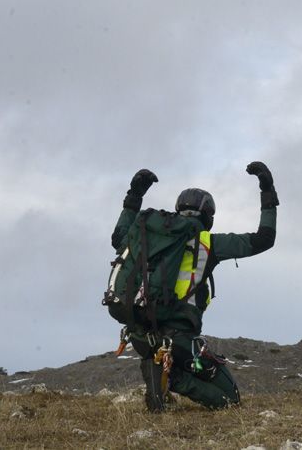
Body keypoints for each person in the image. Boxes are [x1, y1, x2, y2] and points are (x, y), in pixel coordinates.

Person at [108, 161, 279, 411]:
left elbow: (117, 237)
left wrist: (134, 195)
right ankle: (173, 378)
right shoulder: (207, 243)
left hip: (140, 334)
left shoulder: (143, 234)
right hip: (180, 340)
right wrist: (267, 189)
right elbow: (265, 239)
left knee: (156, 351)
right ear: (208, 216)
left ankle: (156, 369)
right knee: (230, 400)